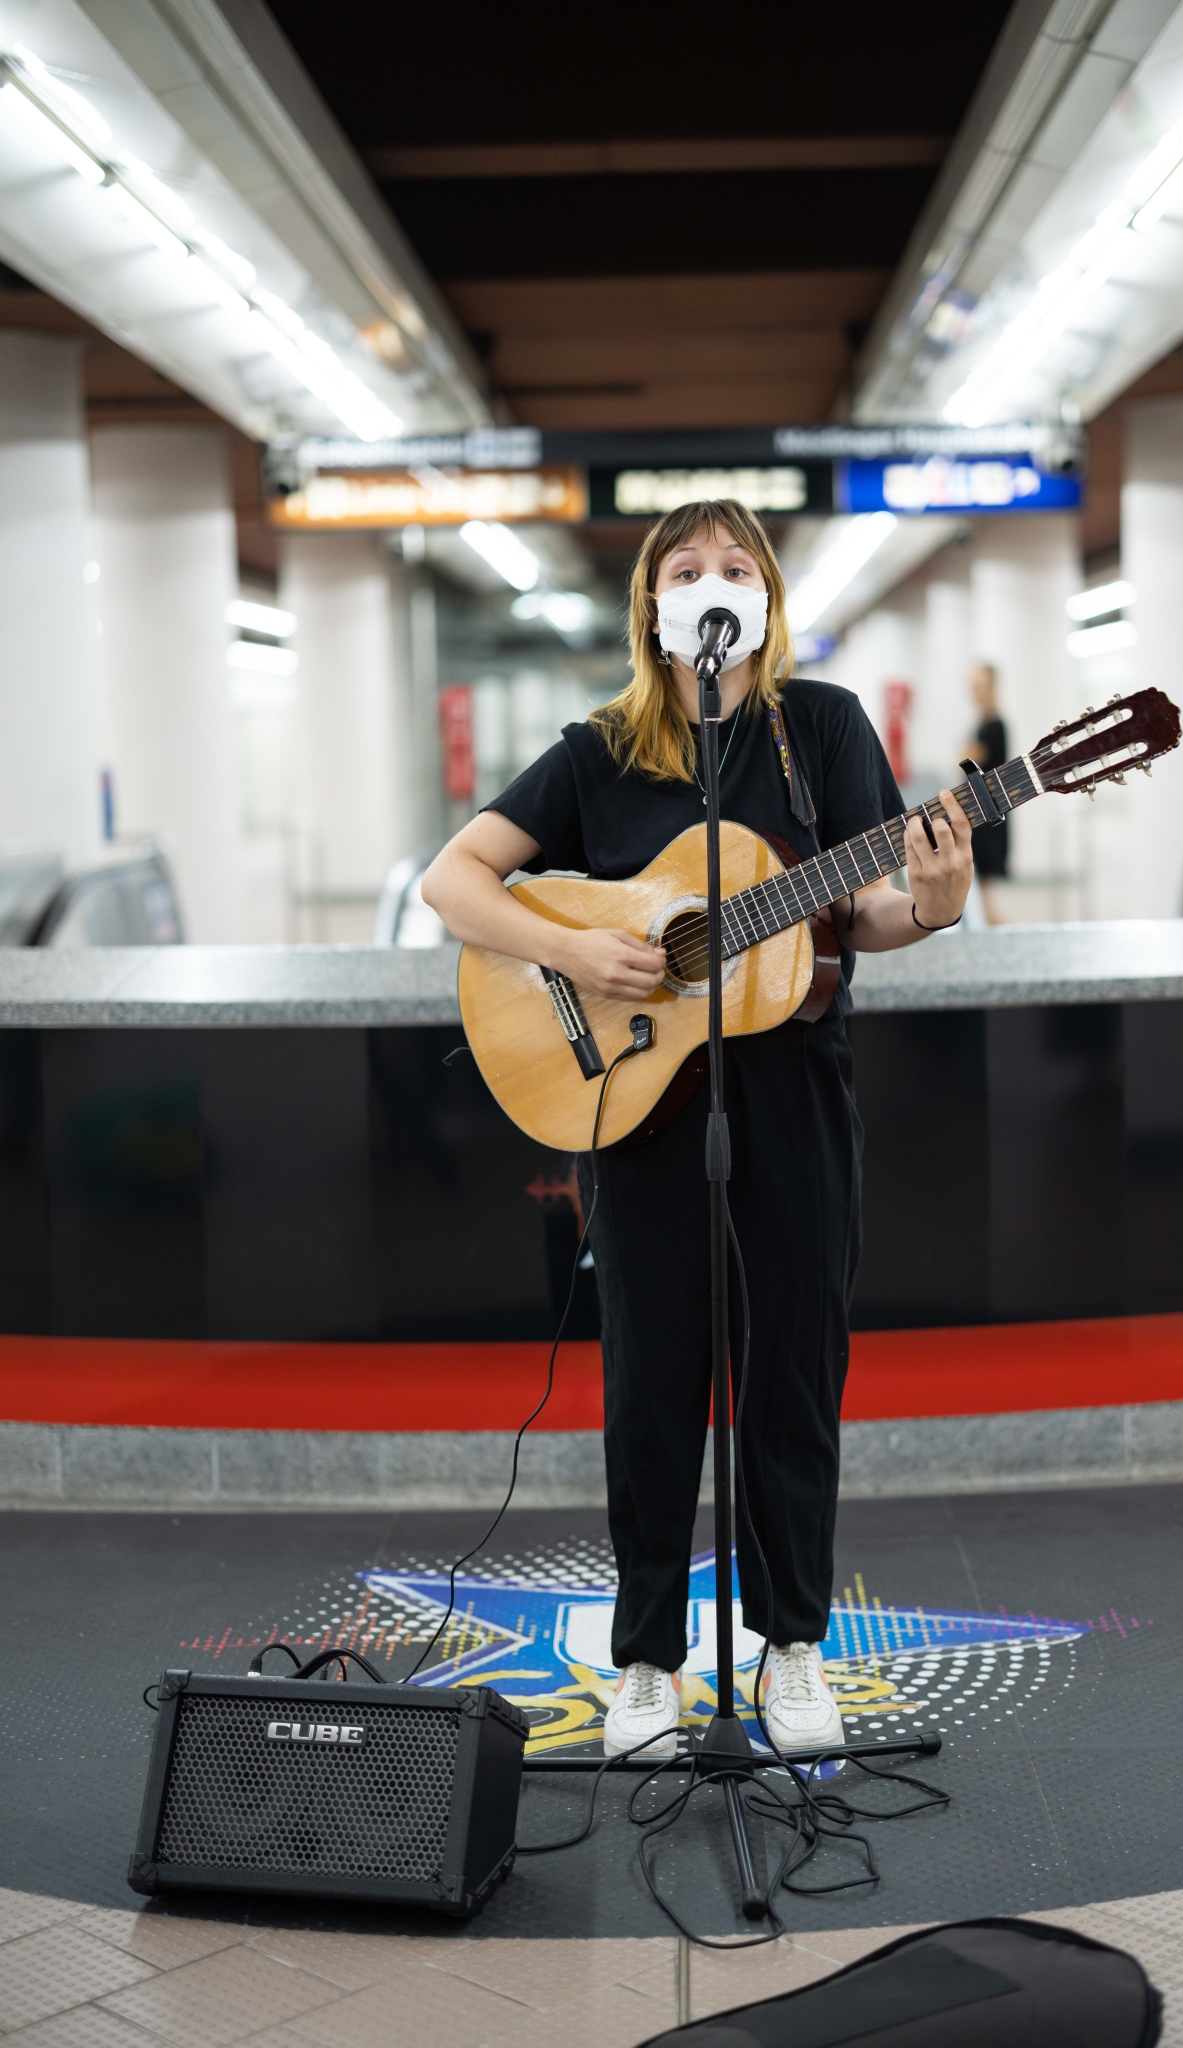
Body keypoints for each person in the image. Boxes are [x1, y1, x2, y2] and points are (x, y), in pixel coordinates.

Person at [422, 501, 973, 1760]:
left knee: (791, 1368)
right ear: (650, 604)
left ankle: (790, 1646)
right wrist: (572, 947)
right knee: (654, 1383)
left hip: (794, 1091)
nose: (712, 583)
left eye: (736, 566)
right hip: (636, 1100)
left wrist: (929, 907)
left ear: (768, 595)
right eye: (687, 569)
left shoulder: (818, 728)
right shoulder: (599, 749)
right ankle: (648, 1662)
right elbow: (452, 878)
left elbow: (864, 907)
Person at [962, 662, 1009, 922]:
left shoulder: (994, 725)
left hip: (989, 815)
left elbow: (968, 757)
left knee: (986, 892)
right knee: (982, 893)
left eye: (979, 685)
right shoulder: (982, 724)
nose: (974, 691)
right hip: (980, 812)